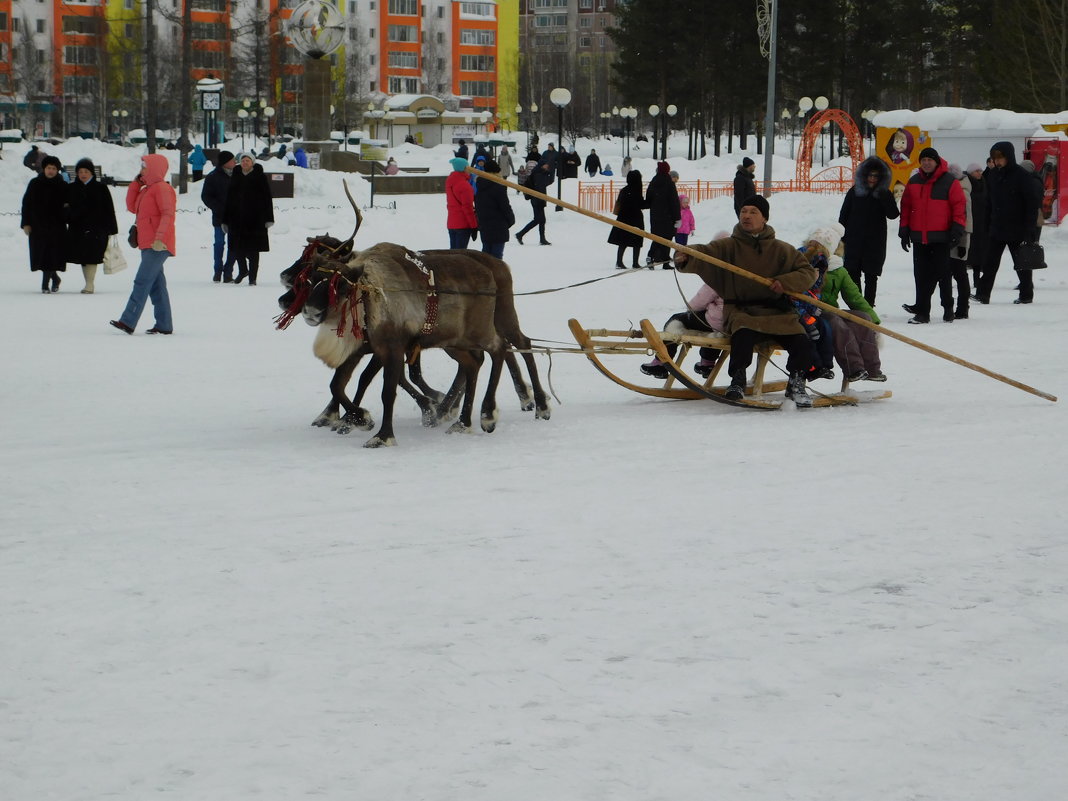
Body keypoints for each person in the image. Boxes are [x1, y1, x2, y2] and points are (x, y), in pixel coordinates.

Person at [672, 195, 817, 406]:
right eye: (743, 211)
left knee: (801, 341)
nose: (746, 216)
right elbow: (703, 252)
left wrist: (785, 282)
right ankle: (737, 380)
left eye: (753, 212)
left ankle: (796, 383)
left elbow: (808, 272)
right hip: (742, 311)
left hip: (778, 312)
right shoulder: (727, 246)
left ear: (764, 218)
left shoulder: (782, 249)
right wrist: (686, 254)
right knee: (743, 335)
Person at [641, 230, 731, 380]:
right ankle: (707, 363)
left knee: (677, 320)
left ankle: (661, 362)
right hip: (733, 322)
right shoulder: (742, 268)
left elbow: (700, 301)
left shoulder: (718, 273)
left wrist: (690, 309)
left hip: (718, 319)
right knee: (714, 333)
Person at [807, 224, 886, 382]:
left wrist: (875, 323)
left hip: (830, 310)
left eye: (821, 247)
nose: (816, 250)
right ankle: (854, 368)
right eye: (813, 245)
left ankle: (872, 369)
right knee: (837, 323)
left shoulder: (839, 270)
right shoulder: (803, 264)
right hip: (810, 311)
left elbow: (855, 298)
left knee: (863, 319)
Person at [109, 154, 176, 334]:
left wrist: (160, 238)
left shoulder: (162, 188)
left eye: (145, 167)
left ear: (154, 168)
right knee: (156, 286)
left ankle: (128, 321)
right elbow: (132, 207)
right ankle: (164, 325)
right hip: (148, 243)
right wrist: (136, 183)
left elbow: (167, 214)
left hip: (158, 244)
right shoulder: (147, 189)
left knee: (142, 281)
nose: (142, 169)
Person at [899, 146, 966, 324]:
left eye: (930, 160)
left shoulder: (950, 182)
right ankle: (923, 312)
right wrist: (904, 230)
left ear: (936, 162)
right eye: (924, 160)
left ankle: (948, 307)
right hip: (919, 238)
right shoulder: (913, 182)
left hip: (941, 237)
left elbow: (959, 207)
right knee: (921, 275)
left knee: (943, 274)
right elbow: (905, 207)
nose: (927, 163)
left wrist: (957, 229)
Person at [971, 142, 1041, 305]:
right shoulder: (994, 175)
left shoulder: (1021, 176)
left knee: (1022, 263)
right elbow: (990, 202)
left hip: (1018, 228)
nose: (997, 161)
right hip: (997, 227)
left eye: (1000, 157)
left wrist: (1030, 227)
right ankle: (983, 294)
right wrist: (987, 224)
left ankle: (1026, 294)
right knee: (990, 262)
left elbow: (1031, 203)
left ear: (1009, 157)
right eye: (995, 158)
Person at [838, 155, 899, 306]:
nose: (872, 179)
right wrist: (841, 236)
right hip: (853, 240)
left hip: (874, 242)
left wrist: (884, 195)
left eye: (876, 176)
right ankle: (858, 306)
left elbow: (893, 214)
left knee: (871, 275)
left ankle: (869, 305)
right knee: (853, 273)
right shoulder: (855, 192)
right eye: (870, 175)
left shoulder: (884, 193)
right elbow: (844, 215)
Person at [65, 157, 118, 294]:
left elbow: (109, 208)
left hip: (97, 228)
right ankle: (88, 283)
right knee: (83, 257)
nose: (83, 174)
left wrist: (112, 228)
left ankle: (89, 284)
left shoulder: (101, 188)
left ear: (92, 173)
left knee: (92, 256)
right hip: (77, 228)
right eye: (80, 171)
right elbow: (65, 207)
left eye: (86, 171)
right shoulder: (71, 188)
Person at [222, 152, 274, 285]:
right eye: (243, 161)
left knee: (253, 250)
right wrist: (225, 220)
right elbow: (228, 199)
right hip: (236, 219)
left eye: (247, 161)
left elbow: (267, 199)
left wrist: (269, 218)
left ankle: (253, 278)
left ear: (253, 162)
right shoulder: (235, 176)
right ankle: (243, 270)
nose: (245, 163)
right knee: (237, 248)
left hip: (255, 220)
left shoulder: (260, 177)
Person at [20, 154, 68, 293]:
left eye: (53, 168)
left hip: (56, 227)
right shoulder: (35, 183)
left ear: (57, 170)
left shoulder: (63, 185)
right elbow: (26, 204)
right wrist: (26, 223)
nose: (51, 171)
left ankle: (45, 284)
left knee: (52, 254)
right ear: (44, 168)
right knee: (41, 255)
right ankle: (55, 279)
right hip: (38, 225)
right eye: (48, 168)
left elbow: (69, 205)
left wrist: (66, 213)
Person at [201, 150, 237, 282]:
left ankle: (228, 272)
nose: (235, 162)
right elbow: (206, 196)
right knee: (219, 244)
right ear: (225, 162)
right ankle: (217, 270)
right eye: (232, 160)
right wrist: (217, 207)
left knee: (233, 246)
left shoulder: (237, 175)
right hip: (219, 217)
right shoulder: (213, 176)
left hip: (235, 217)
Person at [474, 157, 514, 259]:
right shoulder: (499, 187)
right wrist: (510, 220)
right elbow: (505, 207)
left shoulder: (479, 187)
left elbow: (478, 207)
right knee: (497, 257)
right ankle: (496, 275)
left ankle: (485, 274)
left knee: (486, 255)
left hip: (485, 226)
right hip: (499, 226)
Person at [644, 161, 680, 267]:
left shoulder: (653, 181)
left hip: (655, 216)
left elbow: (649, 199)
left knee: (657, 238)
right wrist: (677, 218)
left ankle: (651, 256)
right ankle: (665, 262)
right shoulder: (669, 183)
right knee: (667, 239)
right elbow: (674, 202)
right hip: (668, 216)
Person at [608, 169, 646, 269]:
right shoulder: (636, 190)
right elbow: (641, 204)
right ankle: (635, 262)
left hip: (623, 218)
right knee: (637, 241)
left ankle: (619, 262)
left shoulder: (625, 190)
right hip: (636, 218)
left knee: (623, 242)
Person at [963, 162, 989, 297]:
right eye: (976, 171)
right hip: (970, 222)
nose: (979, 173)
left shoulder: (984, 183)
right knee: (969, 252)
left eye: (980, 170)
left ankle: (977, 280)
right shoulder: (967, 184)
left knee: (980, 252)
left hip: (982, 223)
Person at [515, 161, 551, 245]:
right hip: (536, 199)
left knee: (541, 220)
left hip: (540, 199)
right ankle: (520, 234)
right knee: (538, 220)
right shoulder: (537, 173)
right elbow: (538, 187)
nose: (547, 167)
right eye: (546, 165)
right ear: (542, 165)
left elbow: (547, 183)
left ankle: (542, 239)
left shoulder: (543, 173)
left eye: (547, 166)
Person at [445, 157, 477, 249]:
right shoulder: (465, 186)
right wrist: (474, 226)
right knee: (460, 256)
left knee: (453, 254)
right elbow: (467, 208)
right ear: (464, 168)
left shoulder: (449, 182)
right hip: (463, 224)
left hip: (451, 222)